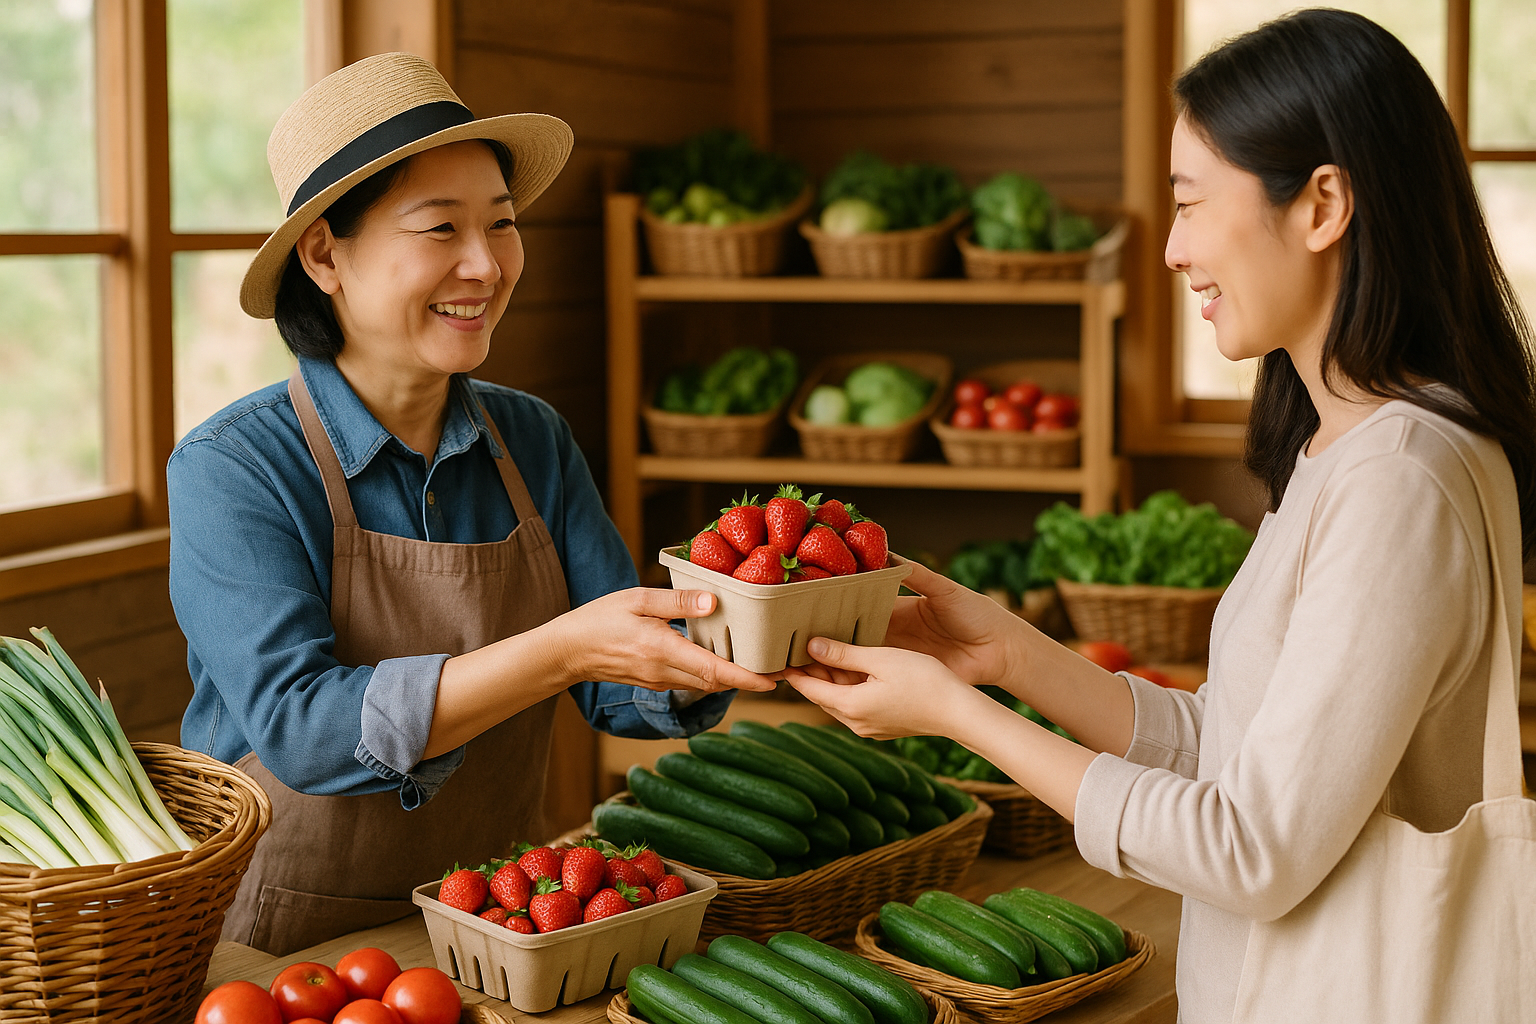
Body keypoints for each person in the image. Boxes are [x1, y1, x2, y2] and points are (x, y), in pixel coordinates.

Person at [782, 10, 1536, 1022]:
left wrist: (960, 716)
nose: (1174, 248)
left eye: (1190, 202)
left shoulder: (1400, 478)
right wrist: (1005, 654)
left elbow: (1252, 848)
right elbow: (1238, 750)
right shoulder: (1351, 449)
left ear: (1323, 204)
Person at [167, 53, 773, 956]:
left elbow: (613, 681)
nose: (486, 265)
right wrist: (560, 648)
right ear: (325, 254)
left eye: (502, 224)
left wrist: (740, 643)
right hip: (280, 948)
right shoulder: (233, 468)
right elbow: (303, 731)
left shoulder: (532, 441)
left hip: (499, 924)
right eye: (440, 228)